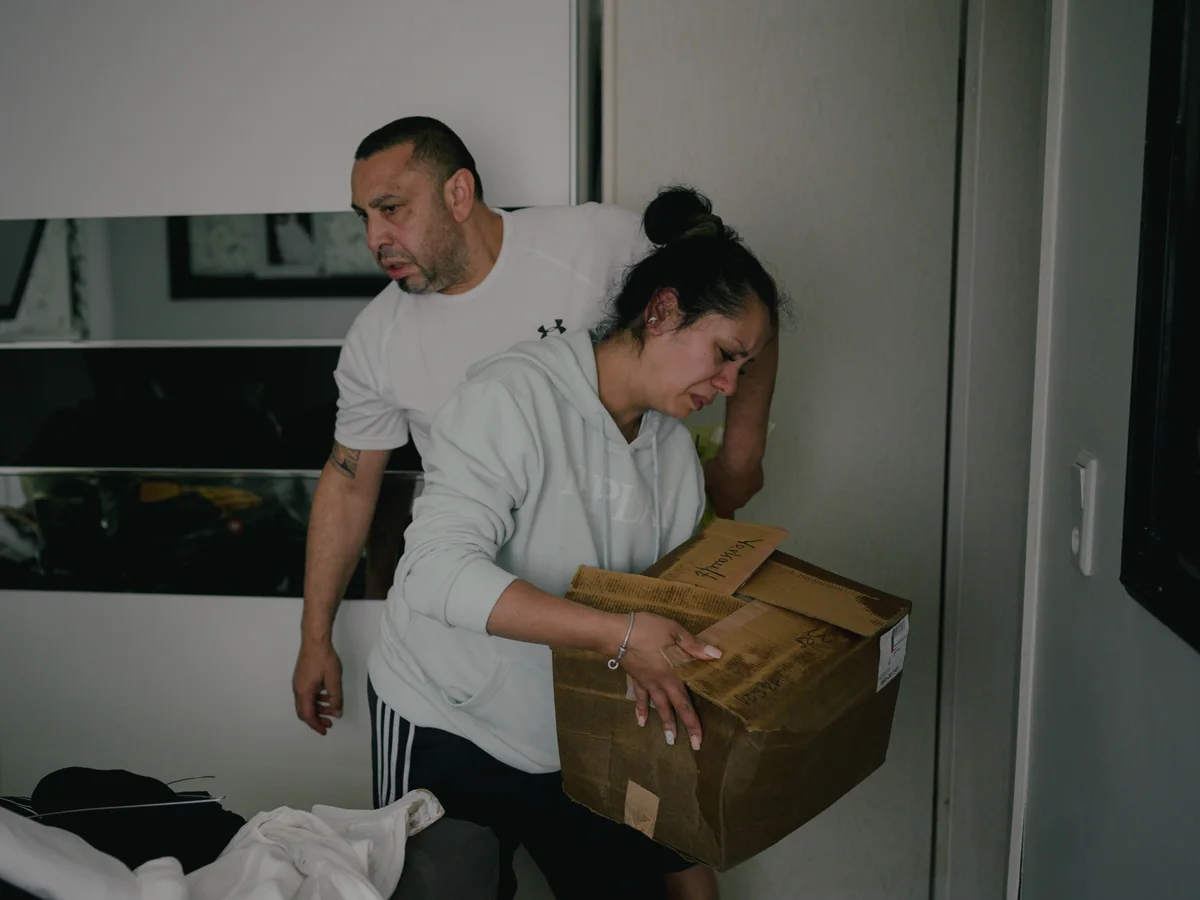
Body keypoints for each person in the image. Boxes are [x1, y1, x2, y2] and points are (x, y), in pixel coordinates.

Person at [293, 116, 778, 737]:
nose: (374, 237)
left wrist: (739, 463)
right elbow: (351, 484)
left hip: (576, 686)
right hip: (451, 683)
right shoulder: (379, 340)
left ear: (459, 193)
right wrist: (315, 637)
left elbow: (738, 301)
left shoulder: (596, 242)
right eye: (363, 216)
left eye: (391, 209)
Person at [366, 186, 783, 900]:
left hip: (577, 733)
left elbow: (662, 628)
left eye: (743, 367)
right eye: (723, 355)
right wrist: (619, 635)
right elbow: (432, 574)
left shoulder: (674, 458)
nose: (728, 383)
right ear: (661, 312)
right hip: (448, 719)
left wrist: (681, 844)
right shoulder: (512, 400)